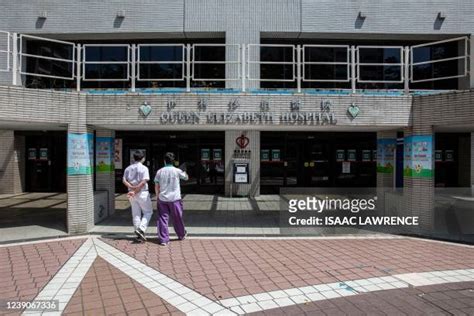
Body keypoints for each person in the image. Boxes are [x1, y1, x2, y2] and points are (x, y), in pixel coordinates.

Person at [154, 152, 189, 246]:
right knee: (177, 217)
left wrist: (157, 196)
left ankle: (164, 239)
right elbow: (186, 178)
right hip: (175, 198)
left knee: (162, 218)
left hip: (163, 198)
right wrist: (184, 172)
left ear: (164, 161)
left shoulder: (159, 171)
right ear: (173, 161)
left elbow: (156, 185)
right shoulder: (177, 171)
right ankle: (181, 235)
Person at [122, 150, 153, 243]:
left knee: (136, 214)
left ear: (133, 158)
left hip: (131, 193)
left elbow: (124, 180)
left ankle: (138, 234)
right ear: (143, 158)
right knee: (148, 212)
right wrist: (135, 190)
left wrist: (131, 187)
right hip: (142, 193)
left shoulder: (128, 168)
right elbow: (144, 182)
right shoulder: (144, 168)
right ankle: (141, 229)